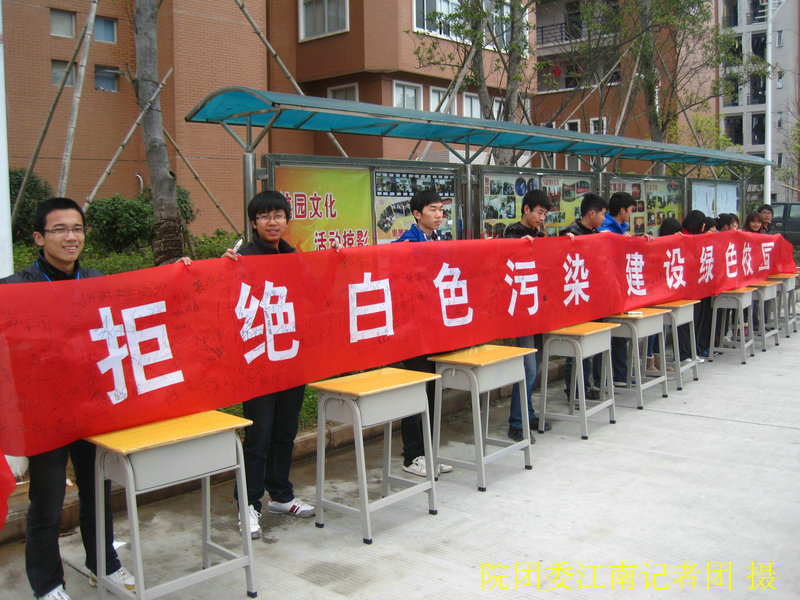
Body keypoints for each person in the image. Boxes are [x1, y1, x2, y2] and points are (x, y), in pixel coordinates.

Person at [1, 198, 135, 600]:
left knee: (97, 491)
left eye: (77, 228)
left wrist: (185, 273)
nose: (70, 237)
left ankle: (103, 565)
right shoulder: (14, 289)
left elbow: (137, 306)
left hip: (92, 407)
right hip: (44, 415)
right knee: (47, 501)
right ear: (39, 237)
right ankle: (48, 584)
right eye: (59, 229)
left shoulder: (96, 280)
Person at [222, 191, 315, 540]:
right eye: (264, 216)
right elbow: (224, 300)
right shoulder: (241, 259)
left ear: (287, 220)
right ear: (253, 222)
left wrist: (337, 262)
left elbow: (312, 294)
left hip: (290, 357)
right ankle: (248, 504)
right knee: (258, 436)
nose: (272, 222)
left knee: (285, 431)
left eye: (278, 215)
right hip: (259, 362)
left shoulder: (292, 257)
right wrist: (220, 269)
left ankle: (281, 494)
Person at [394, 190, 454, 477]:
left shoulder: (438, 240)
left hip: (434, 330)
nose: (439, 214)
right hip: (414, 333)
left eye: (441, 209)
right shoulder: (406, 243)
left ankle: (428, 453)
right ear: (417, 214)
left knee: (432, 392)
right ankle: (411, 456)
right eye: (432, 209)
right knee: (416, 391)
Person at [502, 189, 554, 443]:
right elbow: (505, 257)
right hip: (521, 311)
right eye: (539, 213)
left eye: (545, 215)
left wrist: (565, 241)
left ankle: (527, 412)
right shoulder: (511, 233)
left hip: (539, 309)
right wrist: (520, 245)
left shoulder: (541, 235)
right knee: (528, 368)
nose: (542, 219)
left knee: (536, 365)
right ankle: (516, 423)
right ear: (526, 209)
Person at [559, 193, 608, 400]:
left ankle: (585, 386)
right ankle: (575, 391)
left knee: (590, 347)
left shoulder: (596, 233)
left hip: (591, 299)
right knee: (577, 347)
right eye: (603, 214)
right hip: (575, 298)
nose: (604, 218)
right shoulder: (570, 234)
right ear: (592, 213)